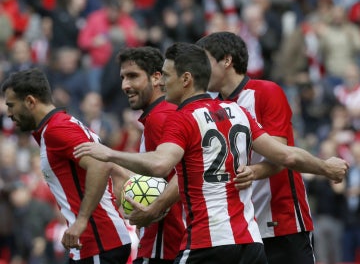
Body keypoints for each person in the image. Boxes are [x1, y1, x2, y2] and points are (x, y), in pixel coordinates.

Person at [73, 42, 349, 264]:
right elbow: (287, 156)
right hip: (250, 243)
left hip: (208, 242)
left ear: (186, 80)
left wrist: (109, 154)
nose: (162, 83)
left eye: (166, 76)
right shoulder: (238, 112)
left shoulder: (183, 118)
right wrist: (326, 168)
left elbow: (160, 164)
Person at [194, 31, 320, 264]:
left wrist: (254, 172)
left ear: (227, 60)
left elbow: (282, 154)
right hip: (239, 229)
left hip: (282, 220)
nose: (200, 70)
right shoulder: (211, 108)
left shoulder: (265, 91)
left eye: (205, 61)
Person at [1, 68, 132, 263]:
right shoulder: (60, 125)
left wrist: (82, 221)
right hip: (94, 243)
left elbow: (100, 165)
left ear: (30, 101)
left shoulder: (57, 129)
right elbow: (109, 165)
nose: (9, 113)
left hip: (99, 244)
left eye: (11, 105)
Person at [117, 46, 185, 263]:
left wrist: (152, 209)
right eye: (123, 78)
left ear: (157, 78)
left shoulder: (160, 117)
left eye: (133, 76)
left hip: (164, 244)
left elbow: (181, 174)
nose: (125, 85)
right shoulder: (161, 114)